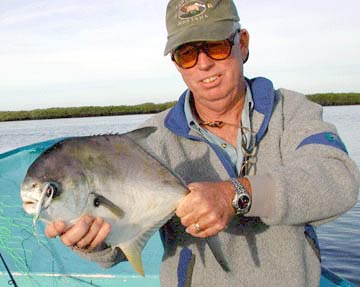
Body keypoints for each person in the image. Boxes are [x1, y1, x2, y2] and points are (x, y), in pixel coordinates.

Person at [45, 0, 360, 286]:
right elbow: (116, 245)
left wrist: (237, 193)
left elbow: (337, 179)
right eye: (188, 53)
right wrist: (92, 241)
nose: (204, 63)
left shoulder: (291, 111)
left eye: (216, 46)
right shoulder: (149, 141)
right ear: (177, 64)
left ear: (243, 43)